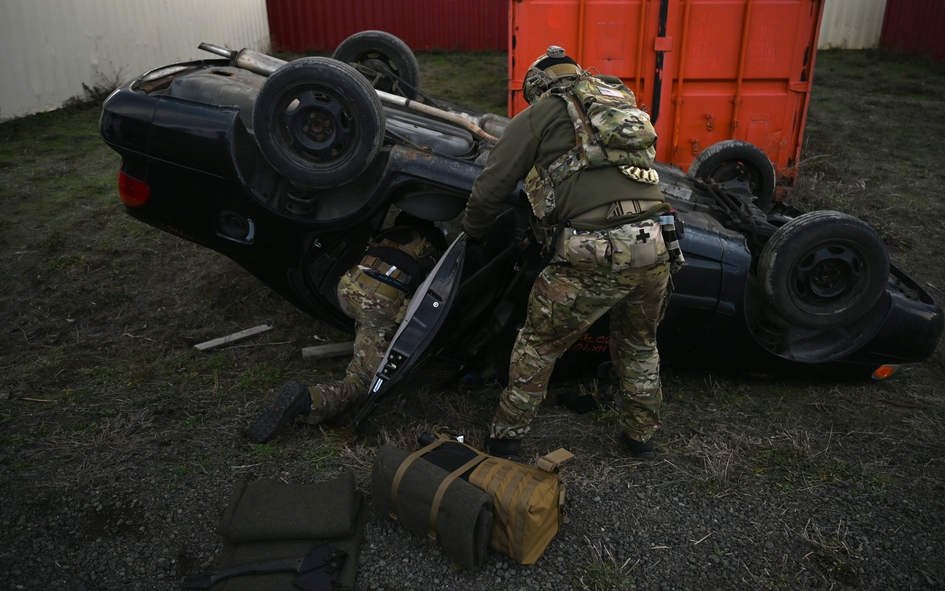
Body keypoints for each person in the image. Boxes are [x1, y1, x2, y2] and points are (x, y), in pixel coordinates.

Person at [462, 46, 679, 461]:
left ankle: (506, 438)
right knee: (639, 344)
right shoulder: (618, 102)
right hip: (656, 245)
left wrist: (472, 233)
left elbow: (491, 187)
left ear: (537, 86)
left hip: (593, 253)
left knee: (539, 344)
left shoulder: (538, 115)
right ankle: (641, 439)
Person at [249, 212, 447, 443]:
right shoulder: (432, 242)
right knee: (363, 381)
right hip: (377, 302)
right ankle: (309, 401)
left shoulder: (390, 234)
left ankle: (364, 334)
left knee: (366, 321)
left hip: (346, 288)